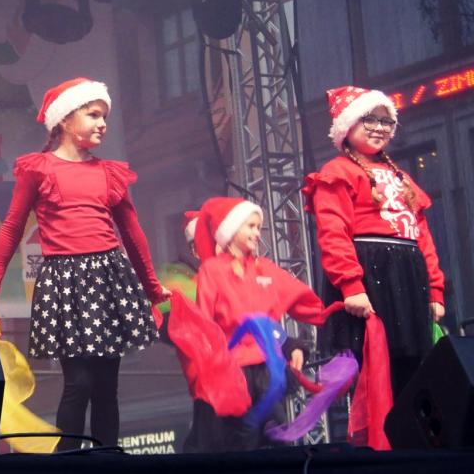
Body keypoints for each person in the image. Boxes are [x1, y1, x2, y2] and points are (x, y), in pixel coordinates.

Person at [0, 78, 169, 450]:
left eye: (105, 116)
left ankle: (107, 455)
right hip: (65, 282)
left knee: (106, 386)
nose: (102, 123)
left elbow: (132, 232)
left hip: (107, 277)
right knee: (78, 383)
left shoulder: (109, 173)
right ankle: (68, 459)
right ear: (65, 119)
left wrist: (152, 286)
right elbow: (12, 227)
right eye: (93, 114)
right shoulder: (39, 169)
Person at [302, 86, 445, 400]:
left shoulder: (402, 178)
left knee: (415, 370)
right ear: (347, 125)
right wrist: (351, 286)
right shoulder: (338, 172)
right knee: (377, 372)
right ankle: (382, 431)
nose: (379, 128)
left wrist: (435, 289)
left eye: (386, 121)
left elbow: (423, 238)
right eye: (370, 119)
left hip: (408, 277)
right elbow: (333, 233)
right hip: (372, 274)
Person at [182, 197, 326, 452]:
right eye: (250, 226)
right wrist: (206, 375)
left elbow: (308, 305)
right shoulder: (212, 271)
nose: (257, 233)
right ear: (231, 230)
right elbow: (204, 326)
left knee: (276, 441)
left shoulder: (266, 269)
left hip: (267, 371)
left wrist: (296, 343)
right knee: (239, 446)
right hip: (233, 375)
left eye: (258, 227)